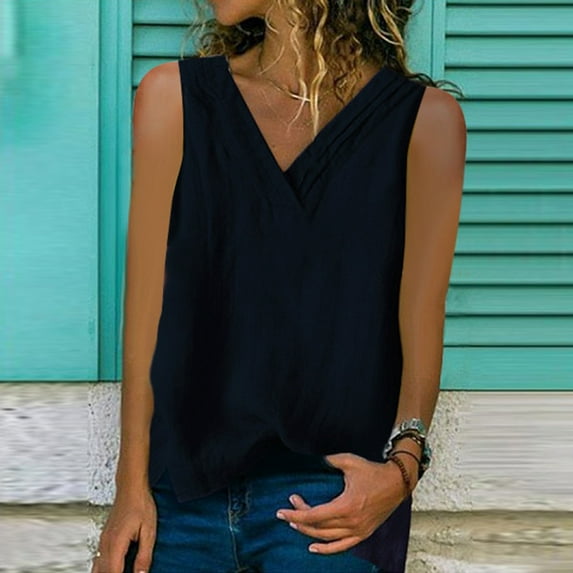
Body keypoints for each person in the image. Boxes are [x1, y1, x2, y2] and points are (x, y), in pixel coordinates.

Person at [92, 1, 466, 572]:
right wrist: (130, 489)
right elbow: (146, 310)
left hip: (335, 502)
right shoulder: (173, 97)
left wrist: (401, 472)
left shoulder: (424, 122)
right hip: (177, 499)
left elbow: (420, 316)